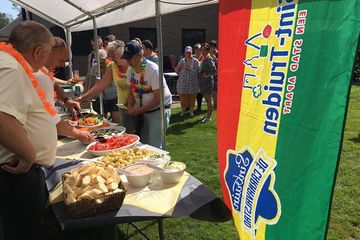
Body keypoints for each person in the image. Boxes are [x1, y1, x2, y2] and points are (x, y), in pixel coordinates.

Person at [0, 21, 55, 240]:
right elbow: (2, 116)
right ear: (38, 51)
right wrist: (29, 154)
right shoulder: (11, 67)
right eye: (47, 54)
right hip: (17, 174)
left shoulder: (9, 62)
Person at [35, 37, 94, 143]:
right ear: (47, 53)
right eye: (60, 60)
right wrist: (78, 133)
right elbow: (48, 118)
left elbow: (55, 85)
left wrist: (67, 100)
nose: (62, 65)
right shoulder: (40, 77)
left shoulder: (43, 72)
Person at [76, 40, 134, 131]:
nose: (114, 59)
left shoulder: (132, 63)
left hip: (137, 106)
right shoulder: (112, 66)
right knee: (125, 132)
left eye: (116, 55)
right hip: (123, 107)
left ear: (123, 52)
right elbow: (100, 86)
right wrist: (82, 97)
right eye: (111, 56)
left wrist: (130, 102)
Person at [122, 41, 172, 148]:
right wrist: (130, 106)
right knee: (143, 143)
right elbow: (132, 90)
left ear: (140, 55)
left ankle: (158, 164)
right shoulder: (130, 70)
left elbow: (159, 99)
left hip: (159, 110)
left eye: (130, 57)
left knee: (154, 145)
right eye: (126, 57)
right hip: (143, 110)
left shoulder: (153, 70)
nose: (127, 61)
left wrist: (137, 111)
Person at [175, 46, 199, 116]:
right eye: (187, 52)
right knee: (183, 97)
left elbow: (197, 71)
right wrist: (181, 75)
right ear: (185, 53)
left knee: (192, 97)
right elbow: (177, 70)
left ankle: (191, 111)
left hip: (192, 83)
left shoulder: (195, 61)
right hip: (183, 83)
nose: (188, 54)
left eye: (189, 52)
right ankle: (183, 111)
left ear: (191, 52)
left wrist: (191, 70)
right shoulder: (182, 61)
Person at [199, 43, 217, 123]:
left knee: (209, 100)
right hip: (203, 82)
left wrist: (207, 75)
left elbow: (214, 70)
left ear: (207, 50)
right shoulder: (204, 58)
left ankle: (208, 117)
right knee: (207, 100)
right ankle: (208, 114)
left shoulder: (209, 59)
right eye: (201, 50)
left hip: (208, 82)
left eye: (204, 50)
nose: (202, 51)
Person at [193, 43, 204, 112]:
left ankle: (199, 107)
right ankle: (190, 107)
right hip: (193, 78)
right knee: (192, 92)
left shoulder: (203, 57)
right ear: (194, 50)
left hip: (201, 78)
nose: (198, 51)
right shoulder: (192, 57)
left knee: (200, 93)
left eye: (199, 50)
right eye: (196, 49)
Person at [209, 40, 219, 109]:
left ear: (215, 47)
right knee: (213, 90)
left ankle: (216, 104)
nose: (211, 48)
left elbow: (219, 62)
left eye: (212, 47)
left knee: (216, 90)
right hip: (211, 74)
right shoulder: (209, 54)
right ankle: (215, 103)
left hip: (218, 74)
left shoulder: (218, 53)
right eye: (210, 47)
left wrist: (213, 55)